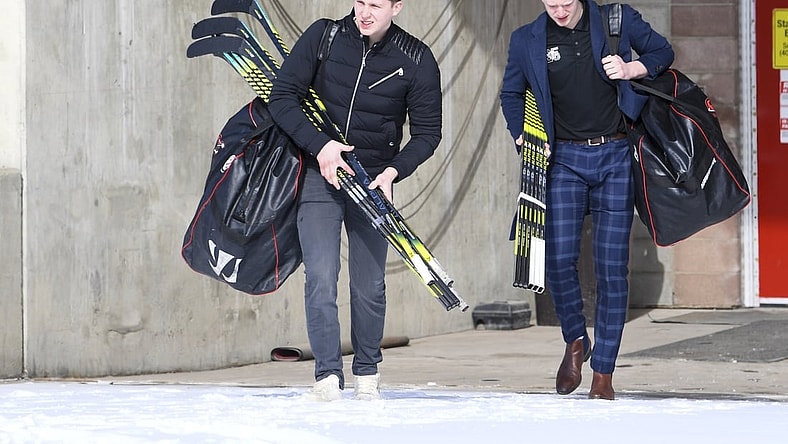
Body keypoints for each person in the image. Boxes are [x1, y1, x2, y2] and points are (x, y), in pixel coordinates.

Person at [268, 0, 442, 401]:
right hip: (321, 176)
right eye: (359, 1)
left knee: (368, 287)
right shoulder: (324, 36)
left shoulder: (415, 58)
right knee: (321, 278)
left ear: (397, 7)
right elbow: (283, 98)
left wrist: (394, 171)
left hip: (372, 183)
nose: (364, 12)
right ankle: (327, 375)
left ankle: (367, 372)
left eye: (376, 5)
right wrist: (321, 146)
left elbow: (428, 133)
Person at [499, 0, 673, 400]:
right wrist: (519, 134)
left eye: (565, 2)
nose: (558, 10)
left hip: (615, 156)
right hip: (563, 160)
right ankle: (576, 340)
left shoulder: (616, 19)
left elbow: (662, 52)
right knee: (558, 259)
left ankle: (604, 373)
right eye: (550, 2)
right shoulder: (527, 39)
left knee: (612, 268)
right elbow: (512, 92)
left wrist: (631, 69)